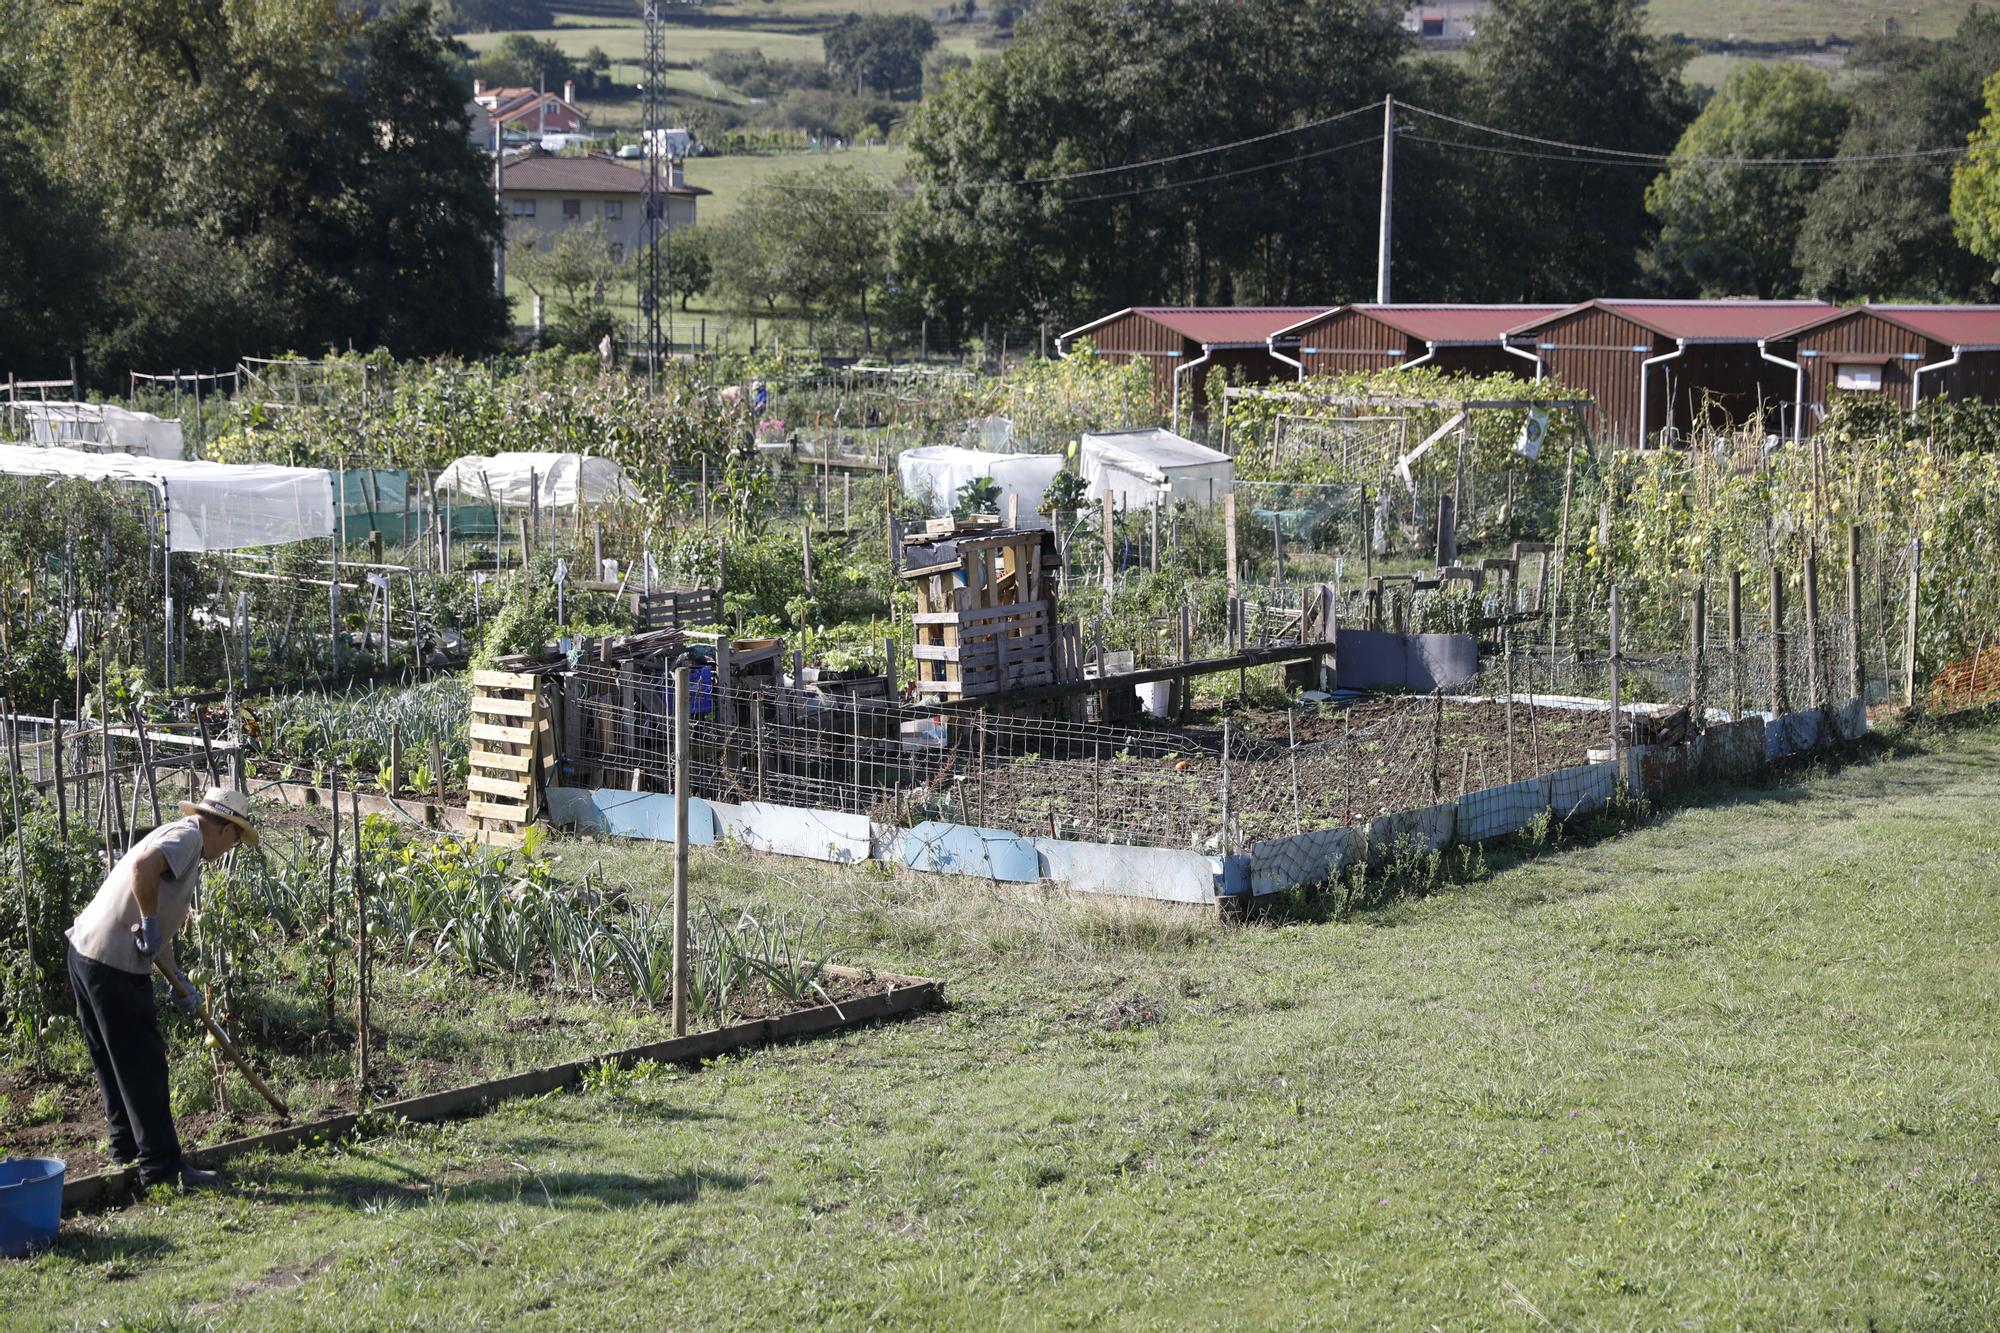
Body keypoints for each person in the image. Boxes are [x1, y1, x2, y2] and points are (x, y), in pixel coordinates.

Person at [65, 787, 258, 1191]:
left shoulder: (180, 839)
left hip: (87, 953)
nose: (232, 848)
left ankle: (127, 1151)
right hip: (112, 962)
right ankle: (162, 1169)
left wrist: (178, 977)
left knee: (114, 1059)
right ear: (224, 829)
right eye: (236, 838)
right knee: (144, 1064)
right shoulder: (188, 838)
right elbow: (141, 869)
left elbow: (154, 914)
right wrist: (150, 924)